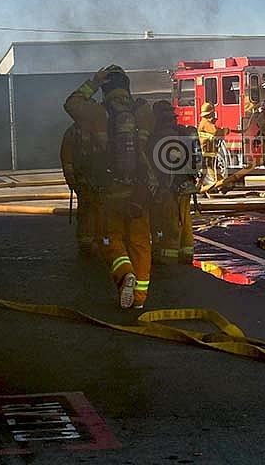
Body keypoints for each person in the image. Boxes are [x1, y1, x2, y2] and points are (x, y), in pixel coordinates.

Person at [64, 65, 155, 309]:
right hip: (139, 190)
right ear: (127, 87)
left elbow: (70, 104)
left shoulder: (96, 113)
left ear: (106, 90)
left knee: (110, 239)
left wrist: (93, 82)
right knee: (140, 243)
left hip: (109, 190)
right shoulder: (143, 111)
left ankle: (125, 273)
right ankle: (139, 299)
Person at [149, 100, 197, 267]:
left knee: (170, 222)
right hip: (187, 184)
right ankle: (186, 254)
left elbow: (161, 166)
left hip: (170, 187)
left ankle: (169, 257)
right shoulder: (184, 132)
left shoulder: (160, 136)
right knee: (185, 221)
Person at [59, 121, 101, 257]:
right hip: (84, 179)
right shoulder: (73, 133)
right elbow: (67, 158)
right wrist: (70, 178)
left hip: (94, 179)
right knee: (87, 208)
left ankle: (95, 240)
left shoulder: (93, 131)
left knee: (95, 209)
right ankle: (87, 241)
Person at [197, 102, 229, 187]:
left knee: (207, 170)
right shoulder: (206, 123)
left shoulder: (205, 122)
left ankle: (199, 185)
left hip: (207, 151)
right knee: (212, 169)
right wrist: (225, 131)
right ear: (211, 113)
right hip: (206, 152)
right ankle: (221, 185)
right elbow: (215, 132)